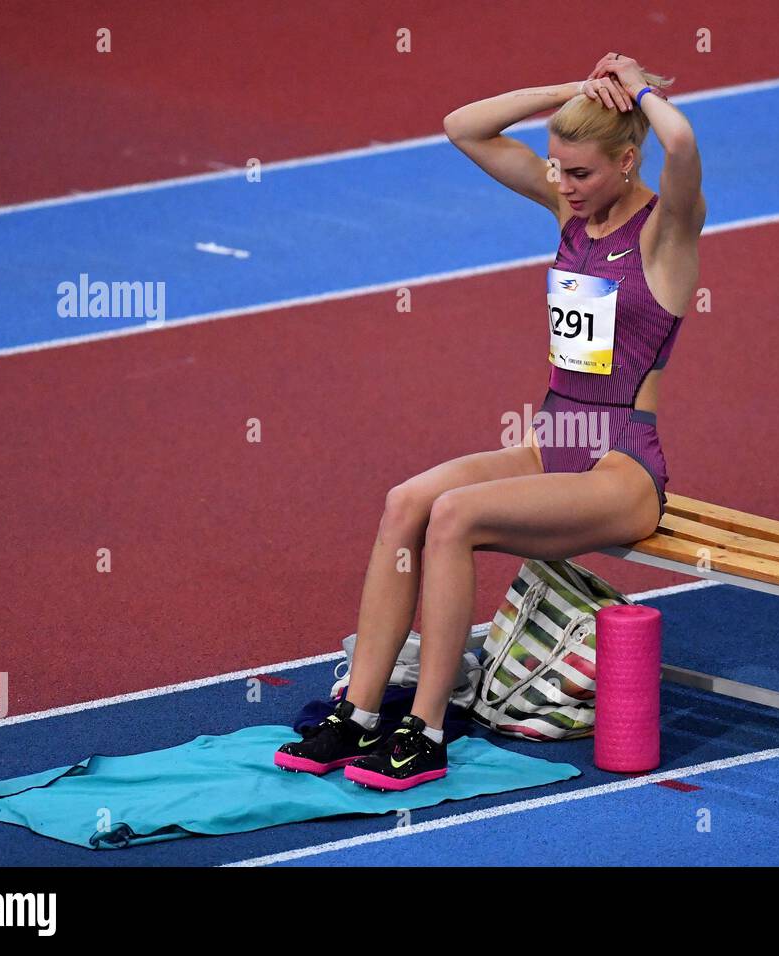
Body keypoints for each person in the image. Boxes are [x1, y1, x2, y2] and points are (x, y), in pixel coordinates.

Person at [276, 53, 705, 791]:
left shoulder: (667, 231)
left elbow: (686, 143)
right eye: (556, 169)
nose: (562, 186)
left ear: (630, 160)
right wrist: (575, 91)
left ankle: (428, 731)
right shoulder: (570, 210)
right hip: (555, 441)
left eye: (580, 173)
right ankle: (360, 711)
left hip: (622, 467)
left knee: (453, 518)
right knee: (407, 500)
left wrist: (632, 83)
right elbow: (464, 128)